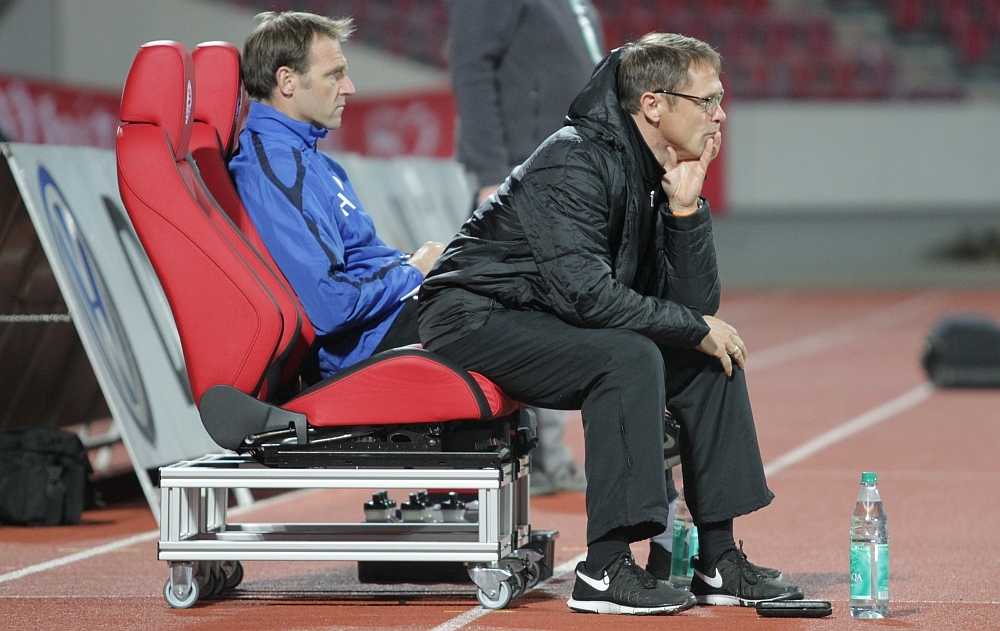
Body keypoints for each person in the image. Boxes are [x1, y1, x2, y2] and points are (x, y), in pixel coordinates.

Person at [418, 33, 804, 614]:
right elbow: (588, 297)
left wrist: (685, 209)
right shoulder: (574, 159)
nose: (720, 114)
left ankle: (719, 560)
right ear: (654, 105)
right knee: (628, 358)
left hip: (542, 313)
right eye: (707, 100)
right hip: (473, 316)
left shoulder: (653, 170)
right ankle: (603, 568)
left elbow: (694, 306)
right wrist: (692, 325)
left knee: (710, 358)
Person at [447, 0, 606, 496]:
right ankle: (525, 455)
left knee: (558, 308)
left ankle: (545, 454)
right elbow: (471, 66)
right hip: (523, 171)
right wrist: (491, 172)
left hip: (564, 168)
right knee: (520, 311)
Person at [229, 11, 442, 380]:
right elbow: (331, 305)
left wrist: (417, 266)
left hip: (385, 322)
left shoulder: (312, 161)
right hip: (364, 347)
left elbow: (362, 263)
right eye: (334, 74)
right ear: (287, 81)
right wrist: (412, 271)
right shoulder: (277, 170)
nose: (349, 87)